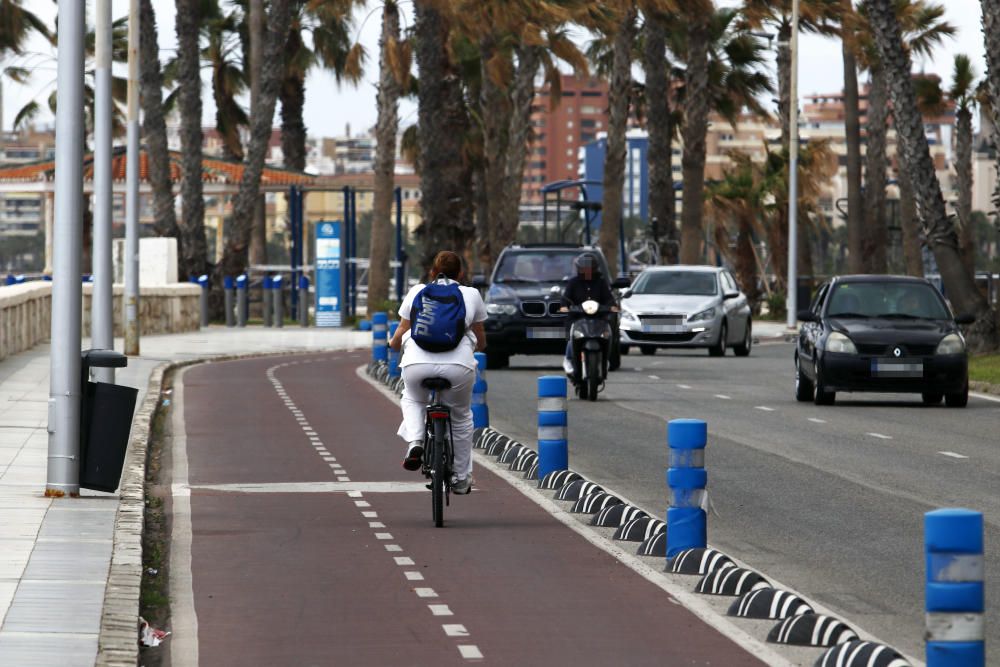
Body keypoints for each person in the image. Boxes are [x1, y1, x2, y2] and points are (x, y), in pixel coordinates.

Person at [389, 251, 487, 495]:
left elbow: (402, 330)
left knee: (413, 398)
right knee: (461, 417)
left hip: (416, 365)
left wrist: (392, 344)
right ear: (461, 274)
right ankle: (462, 479)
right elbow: (481, 339)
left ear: (432, 272)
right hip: (458, 367)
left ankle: (416, 442)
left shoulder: (416, 291)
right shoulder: (471, 294)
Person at [559, 253, 617, 374]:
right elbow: (565, 298)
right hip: (577, 318)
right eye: (584, 269)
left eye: (590, 269)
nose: (587, 272)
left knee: (607, 334)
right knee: (571, 337)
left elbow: (609, 298)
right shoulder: (573, 283)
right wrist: (565, 306)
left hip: (598, 318)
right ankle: (569, 359)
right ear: (579, 269)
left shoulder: (601, 283)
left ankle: (605, 359)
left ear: (595, 269)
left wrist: (611, 306)